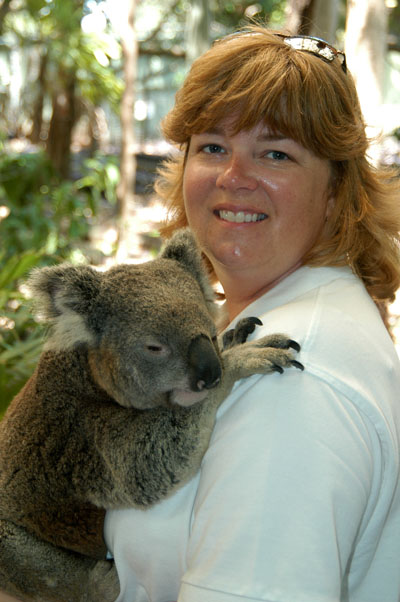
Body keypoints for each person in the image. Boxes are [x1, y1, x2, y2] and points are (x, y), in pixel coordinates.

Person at [104, 26, 400, 602]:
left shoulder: (290, 374)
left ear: (338, 193)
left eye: (276, 154)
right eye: (212, 146)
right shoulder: (256, 320)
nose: (233, 178)